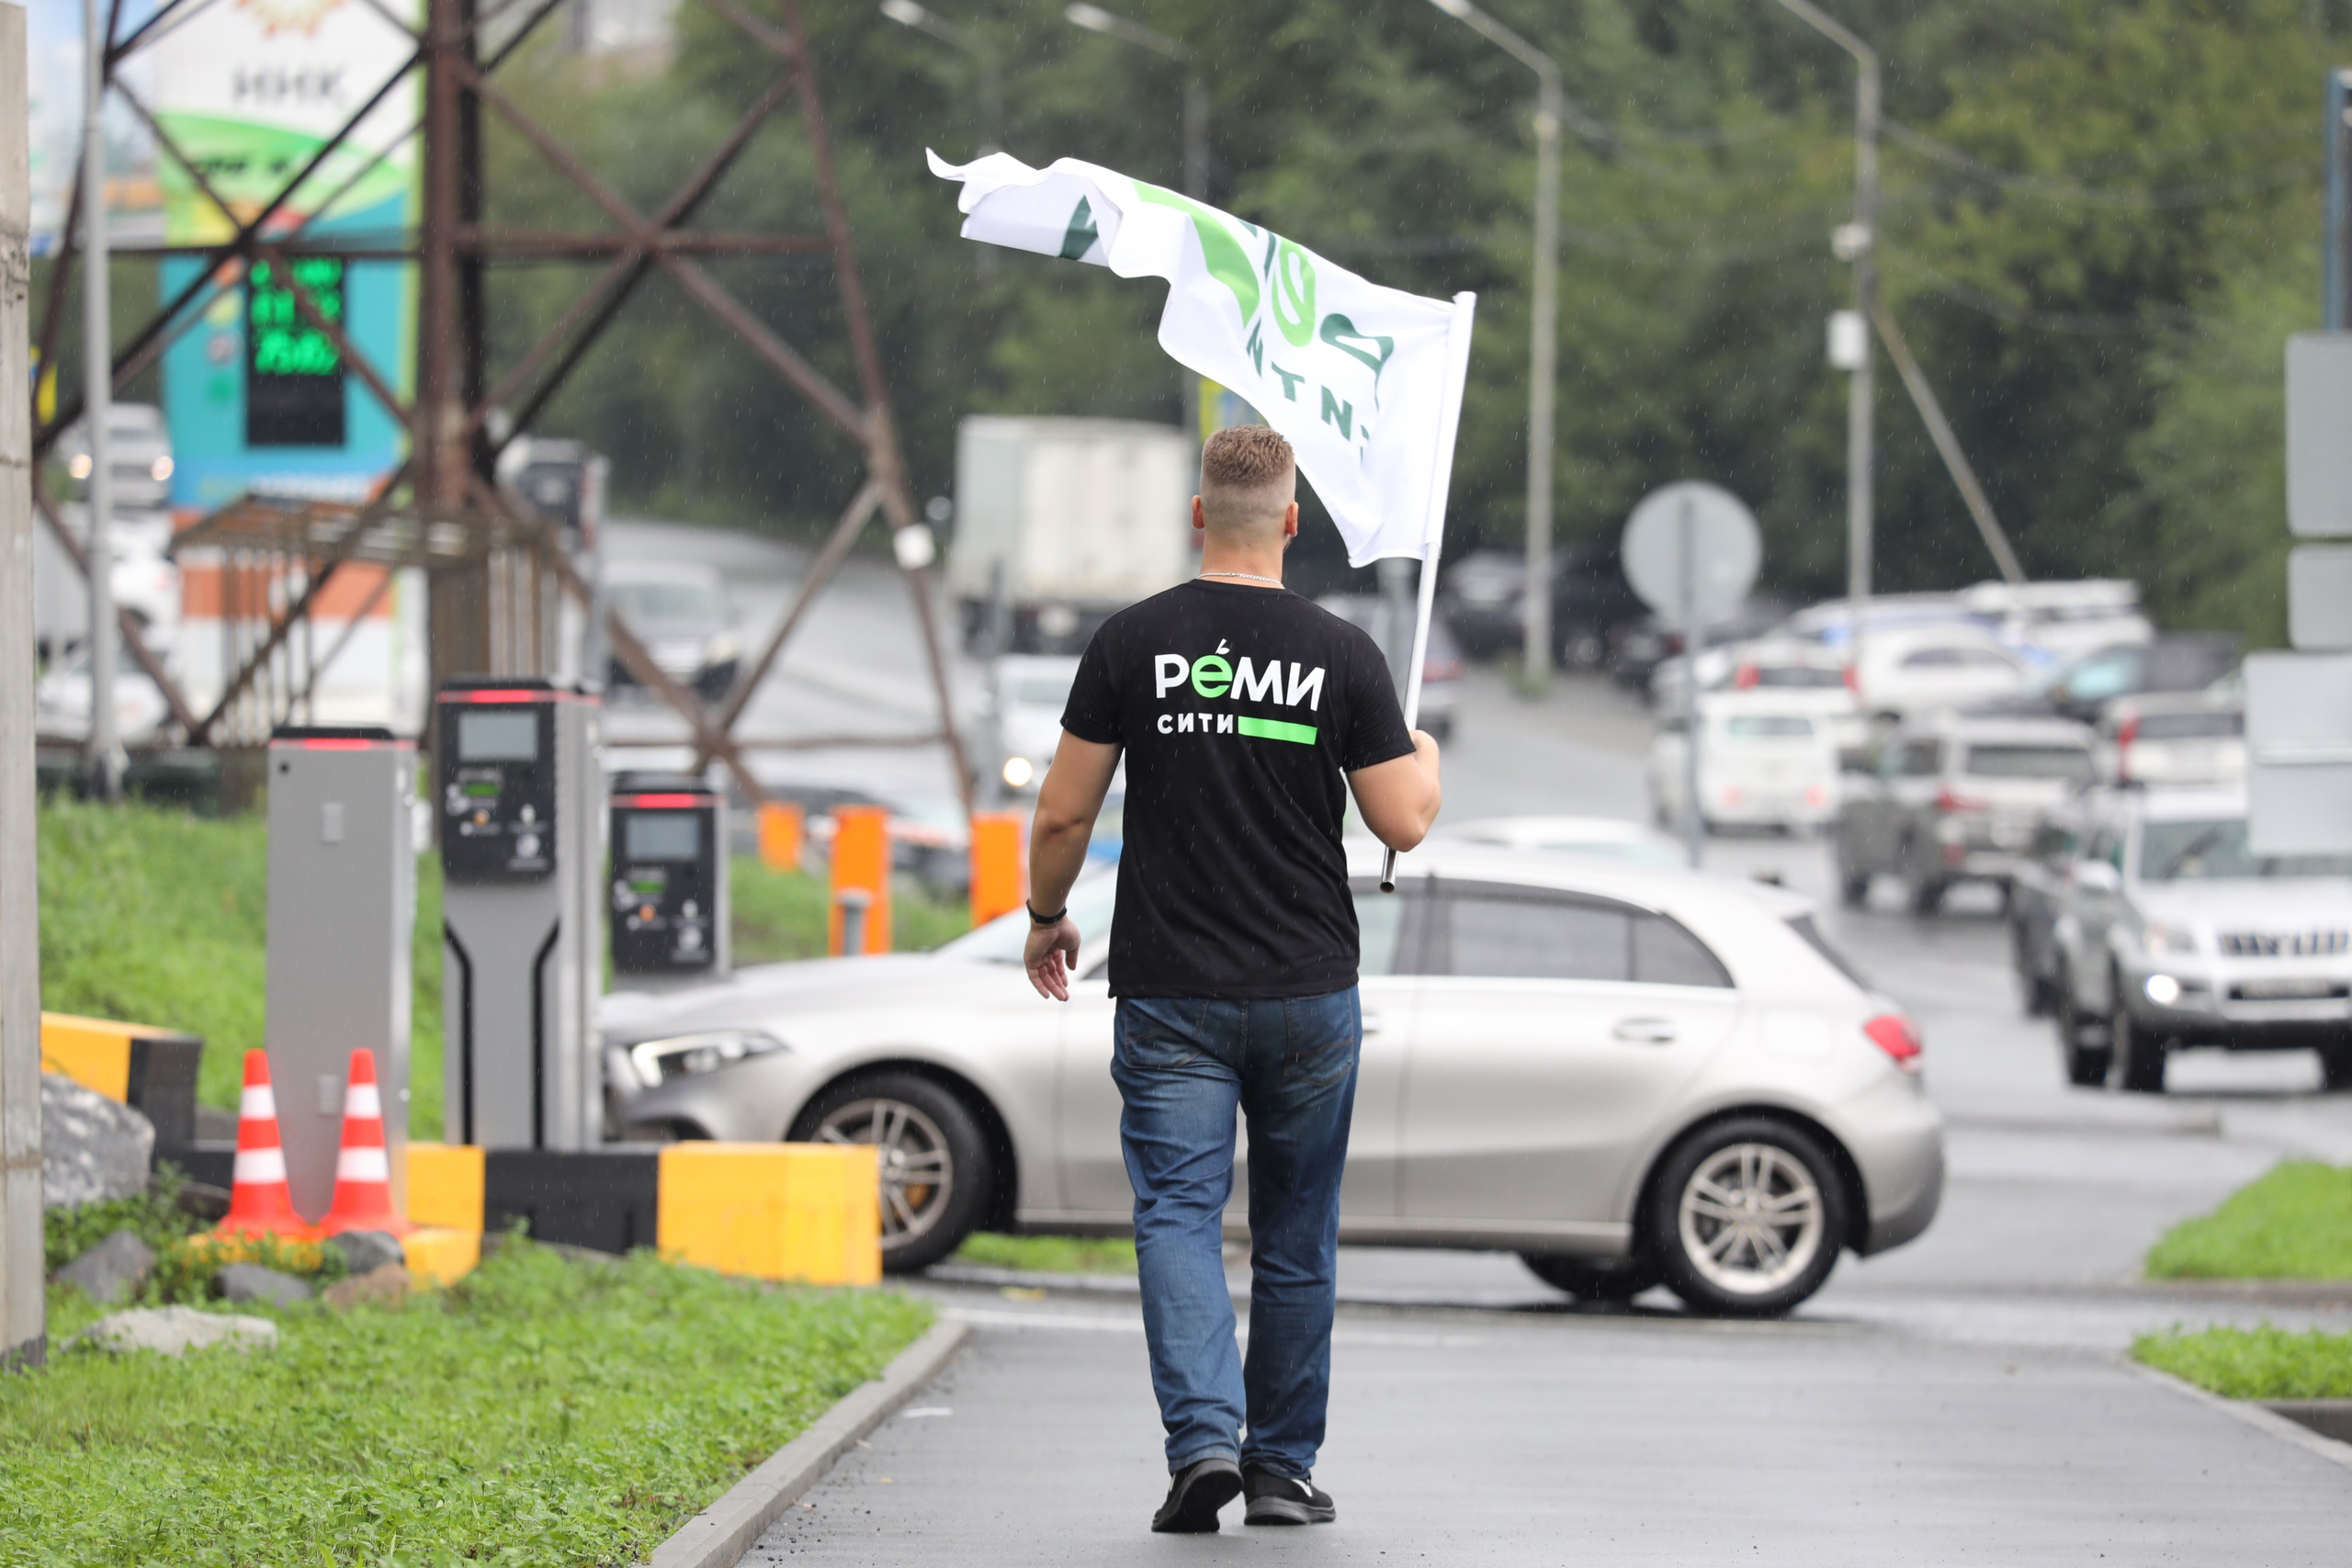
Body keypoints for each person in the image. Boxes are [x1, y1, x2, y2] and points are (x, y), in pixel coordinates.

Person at [1021, 424, 1443, 1534]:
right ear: (1293, 523)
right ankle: (1281, 1471)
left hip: (1171, 989)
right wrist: (1427, 759)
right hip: (1308, 991)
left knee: (1177, 1215)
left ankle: (1203, 1442)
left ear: (1199, 514)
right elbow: (1402, 821)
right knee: (1296, 1233)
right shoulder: (1341, 653)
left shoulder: (1132, 641)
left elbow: (1062, 814)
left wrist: (1047, 917)